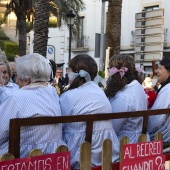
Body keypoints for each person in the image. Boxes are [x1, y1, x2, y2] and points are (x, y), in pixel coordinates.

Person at [59, 54, 119, 169]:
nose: (67, 74)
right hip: (107, 153)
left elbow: (59, 126)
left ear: (76, 72)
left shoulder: (68, 96)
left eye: (69, 70)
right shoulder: (100, 92)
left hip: (79, 155)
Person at [0, 53, 65, 157]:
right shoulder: (53, 93)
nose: (16, 80)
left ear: (27, 80)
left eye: (17, 76)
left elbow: (1, 132)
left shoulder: (17, 97)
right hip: (53, 156)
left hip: (24, 158)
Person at [105, 54, 148, 143]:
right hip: (139, 138)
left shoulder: (124, 96)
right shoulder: (137, 86)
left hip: (126, 143)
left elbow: (112, 127)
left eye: (110, 70)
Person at [148, 57, 170, 141]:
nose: (156, 71)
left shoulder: (167, 89)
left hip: (163, 139)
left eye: (160, 68)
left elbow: (155, 121)